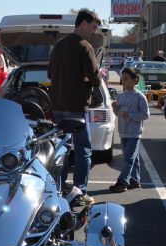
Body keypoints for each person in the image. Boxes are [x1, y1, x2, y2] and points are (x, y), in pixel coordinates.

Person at [47, 8, 102, 206]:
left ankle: (58, 190)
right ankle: (79, 193)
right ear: (84, 24)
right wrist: (94, 76)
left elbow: (50, 74)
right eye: (94, 27)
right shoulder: (84, 46)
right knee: (83, 150)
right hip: (76, 108)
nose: (95, 32)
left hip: (58, 106)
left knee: (60, 150)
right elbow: (95, 79)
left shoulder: (59, 45)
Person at [109, 67, 150, 193]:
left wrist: (131, 115)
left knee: (128, 158)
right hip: (123, 132)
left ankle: (122, 182)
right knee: (133, 157)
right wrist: (115, 108)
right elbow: (118, 114)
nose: (123, 80)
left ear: (134, 80)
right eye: (122, 78)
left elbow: (145, 115)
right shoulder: (121, 96)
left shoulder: (139, 97)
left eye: (126, 78)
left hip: (134, 133)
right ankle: (134, 180)